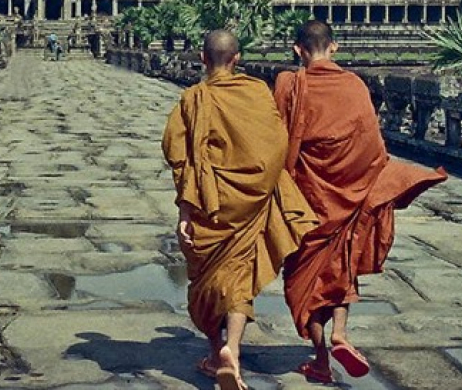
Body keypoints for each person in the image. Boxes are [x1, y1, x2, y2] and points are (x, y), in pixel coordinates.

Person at [273, 20, 447, 384]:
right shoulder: (354, 85)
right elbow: (372, 146)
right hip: (350, 197)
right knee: (341, 269)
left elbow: (277, 142)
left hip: (307, 202)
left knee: (304, 284)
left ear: (297, 50)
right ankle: (340, 333)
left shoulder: (289, 85)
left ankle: (321, 359)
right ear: (334, 47)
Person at [162, 29, 317, 390]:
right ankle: (232, 348)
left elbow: (178, 156)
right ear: (237, 59)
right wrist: (262, 188)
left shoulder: (193, 99)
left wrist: (186, 209)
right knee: (239, 276)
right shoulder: (256, 92)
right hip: (249, 204)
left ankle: (217, 353)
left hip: (208, 203)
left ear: (202, 59)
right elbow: (276, 145)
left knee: (207, 281)